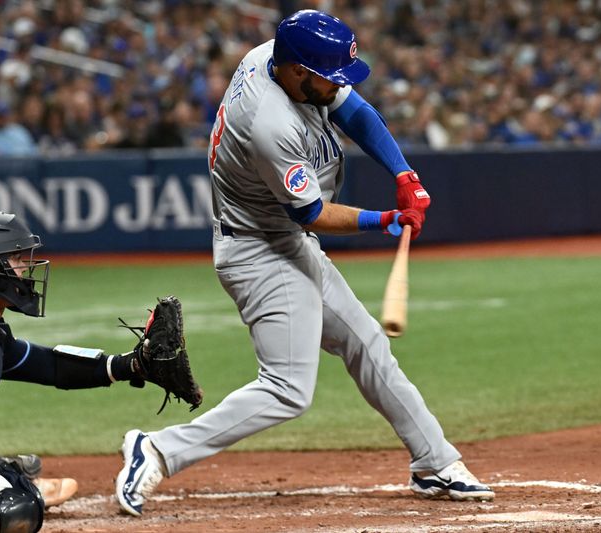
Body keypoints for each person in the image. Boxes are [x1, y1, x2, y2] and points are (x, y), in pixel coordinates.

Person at [115, 9, 494, 517]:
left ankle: (435, 461)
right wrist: (385, 219)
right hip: (258, 251)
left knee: (367, 344)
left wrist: (404, 173)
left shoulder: (277, 60)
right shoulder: (269, 124)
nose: (336, 84)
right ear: (296, 71)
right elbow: (312, 213)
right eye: (326, 75)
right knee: (288, 389)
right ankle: (158, 449)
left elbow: (354, 110)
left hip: (282, 239)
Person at [0, 209, 174, 532]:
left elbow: (50, 365)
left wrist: (128, 365)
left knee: (19, 494)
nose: (26, 267)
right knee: (9, 512)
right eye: (15, 257)